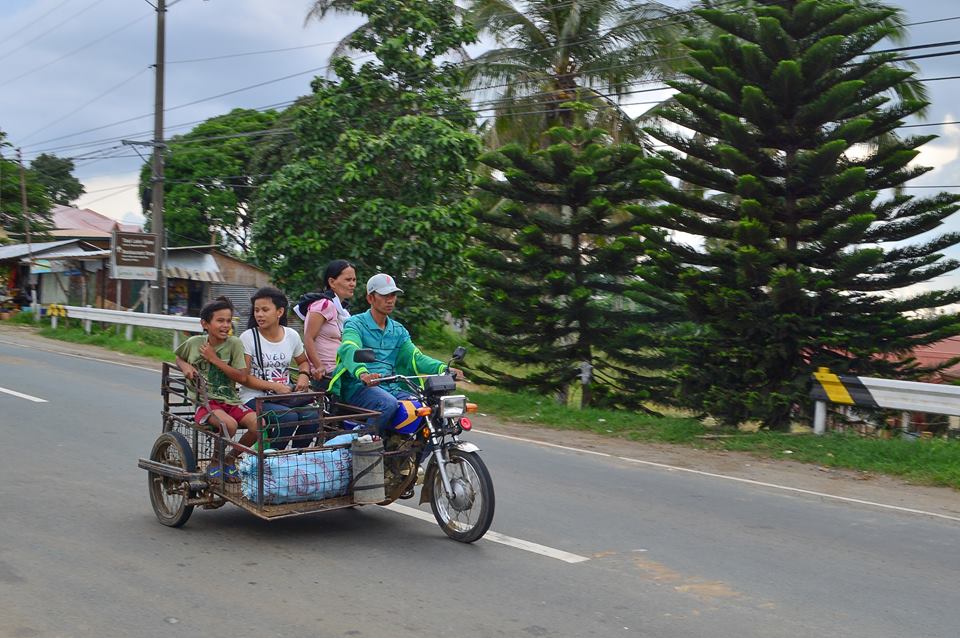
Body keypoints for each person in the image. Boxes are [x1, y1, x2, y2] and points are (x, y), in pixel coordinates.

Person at [329, 273, 463, 432]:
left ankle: (408, 451)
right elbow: (349, 348)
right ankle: (365, 442)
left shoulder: (398, 330)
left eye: (393, 295)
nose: (390, 299)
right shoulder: (355, 323)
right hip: (359, 386)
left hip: (390, 386)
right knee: (388, 404)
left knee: (428, 408)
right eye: (385, 295)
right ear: (370, 298)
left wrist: (444, 369)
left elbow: (416, 357)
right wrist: (363, 373)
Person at [174, 296, 257, 484]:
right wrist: (185, 366)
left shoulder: (234, 343)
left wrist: (214, 359)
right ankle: (214, 463)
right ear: (205, 324)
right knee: (229, 425)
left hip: (230, 400)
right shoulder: (194, 343)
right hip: (206, 402)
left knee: (258, 425)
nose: (225, 325)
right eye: (220, 321)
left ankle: (229, 459)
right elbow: (179, 358)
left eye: (228, 321)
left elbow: (242, 377)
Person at [239, 287, 318, 450]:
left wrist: (304, 375)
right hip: (254, 397)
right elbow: (244, 377)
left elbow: (303, 362)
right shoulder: (248, 337)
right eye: (256, 310)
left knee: (314, 416)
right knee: (288, 417)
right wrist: (274, 386)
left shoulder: (291, 335)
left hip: (284, 396)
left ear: (279, 312)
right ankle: (270, 458)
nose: (259, 314)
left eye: (265, 310)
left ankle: (296, 457)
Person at [295, 260, 357, 386]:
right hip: (328, 374)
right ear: (332, 282)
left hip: (340, 370)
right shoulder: (324, 304)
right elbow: (308, 337)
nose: (352, 284)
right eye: (348, 280)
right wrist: (319, 366)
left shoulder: (341, 310)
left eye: (354, 280)